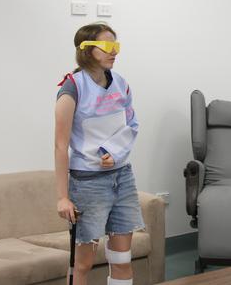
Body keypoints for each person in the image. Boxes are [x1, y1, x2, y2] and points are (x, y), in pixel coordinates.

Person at [55, 23, 144, 285]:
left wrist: (113, 153)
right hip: (88, 182)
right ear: (87, 50)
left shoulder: (121, 84)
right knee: (82, 265)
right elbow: (61, 146)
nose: (114, 52)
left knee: (121, 259)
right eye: (107, 47)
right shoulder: (72, 88)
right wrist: (62, 197)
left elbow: (131, 125)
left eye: (116, 46)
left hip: (122, 177)